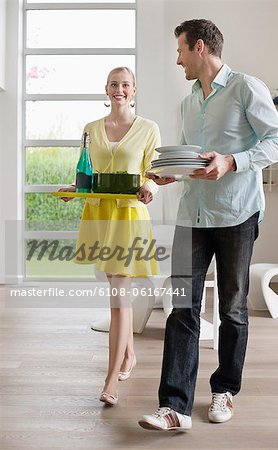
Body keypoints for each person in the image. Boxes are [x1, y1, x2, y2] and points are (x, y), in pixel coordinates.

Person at [138, 19, 278, 430]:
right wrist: (175, 173)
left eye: (181, 50)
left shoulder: (246, 87)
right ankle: (174, 407)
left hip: (237, 213)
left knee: (233, 307)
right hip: (193, 215)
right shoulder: (189, 102)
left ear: (200, 47)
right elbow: (197, 162)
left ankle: (225, 389)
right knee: (182, 307)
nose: (177, 59)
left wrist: (233, 160)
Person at [59, 67, 160, 406]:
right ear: (106, 89)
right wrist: (73, 191)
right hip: (99, 216)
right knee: (117, 289)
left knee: (118, 296)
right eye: (114, 84)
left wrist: (149, 188)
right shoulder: (90, 129)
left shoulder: (148, 129)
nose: (120, 89)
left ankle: (111, 379)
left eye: (126, 84)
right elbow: (87, 175)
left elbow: (154, 176)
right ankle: (129, 357)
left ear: (135, 90)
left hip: (129, 218)